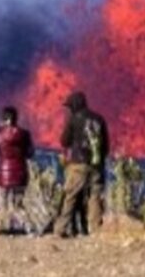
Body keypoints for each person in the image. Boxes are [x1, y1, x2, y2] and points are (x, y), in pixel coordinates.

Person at [54, 92, 108, 237]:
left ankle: (61, 229)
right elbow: (106, 145)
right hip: (97, 164)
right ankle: (96, 229)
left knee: (71, 195)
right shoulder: (99, 119)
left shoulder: (74, 119)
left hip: (79, 164)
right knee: (95, 197)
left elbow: (64, 141)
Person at [0, 106, 34, 210]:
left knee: (3, 205)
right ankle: (17, 224)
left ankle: (3, 223)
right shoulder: (24, 134)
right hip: (20, 172)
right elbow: (30, 153)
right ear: (16, 118)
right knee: (18, 205)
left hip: (3, 173)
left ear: (3, 118)